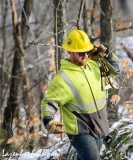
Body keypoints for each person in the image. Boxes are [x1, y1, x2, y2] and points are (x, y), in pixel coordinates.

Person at [40, 29, 120, 160]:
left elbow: (117, 70)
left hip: (99, 127)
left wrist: (107, 54)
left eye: (88, 52)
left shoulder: (94, 65)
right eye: (81, 53)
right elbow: (49, 103)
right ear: (69, 52)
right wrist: (48, 121)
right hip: (80, 132)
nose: (86, 56)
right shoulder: (63, 79)